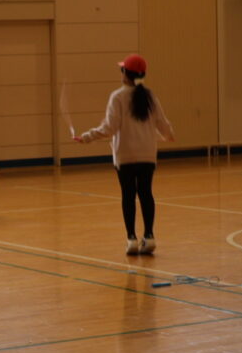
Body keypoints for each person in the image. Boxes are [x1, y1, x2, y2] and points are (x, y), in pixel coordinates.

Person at [73, 54, 173, 255]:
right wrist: (169, 135)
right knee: (146, 193)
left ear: (126, 74)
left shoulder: (118, 96)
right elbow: (162, 123)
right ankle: (149, 236)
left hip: (125, 156)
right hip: (147, 155)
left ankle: (132, 239)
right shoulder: (150, 95)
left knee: (128, 195)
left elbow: (109, 128)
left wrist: (86, 137)